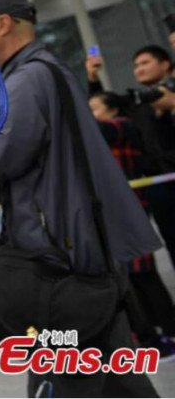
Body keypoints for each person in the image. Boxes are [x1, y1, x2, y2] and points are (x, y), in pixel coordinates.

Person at [0, 0, 161, 397]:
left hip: (55, 256)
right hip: (78, 248)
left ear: (3, 23)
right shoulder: (47, 71)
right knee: (116, 374)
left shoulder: (27, 78)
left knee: (60, 374)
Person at [87, 91, 175, 355]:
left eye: (95, 109)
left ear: (113, 110)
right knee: (134, 275)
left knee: (142, 273)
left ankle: (165, 332)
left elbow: (94, 128)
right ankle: (154, 332)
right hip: (118, 210)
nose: (91, 115)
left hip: (127, 210)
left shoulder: (121, 127)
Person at [87, 45, 175, 269]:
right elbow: (108, 107)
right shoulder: (139, 103)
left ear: (165, 64)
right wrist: (93, 77)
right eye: (136, 65)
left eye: (145, 62)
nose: (139, 69)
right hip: (157, 184)